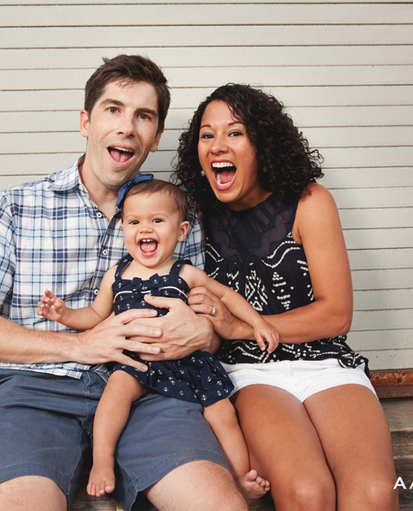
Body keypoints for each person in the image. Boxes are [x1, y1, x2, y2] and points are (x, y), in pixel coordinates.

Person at [0, 56, 249, 511]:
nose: (127, 126)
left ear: (155, 136)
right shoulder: (16, 207)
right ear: (86, 121)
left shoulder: (176, 216)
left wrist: (204, 333)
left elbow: (206, 319)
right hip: (34, 394)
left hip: (156, 388)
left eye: (143, 116)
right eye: (113, 109)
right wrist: (79, 344)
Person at [174, 83, 400, 511]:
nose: (218, 144)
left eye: (235, 132)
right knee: (307, 492)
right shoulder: (193, 216)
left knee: (373, 493)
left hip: (326, 362)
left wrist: (240, 325)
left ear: (263, 143)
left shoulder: (310, 202)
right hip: (248, 372)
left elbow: (336, 315)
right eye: (207, 134)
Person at [37, 178, 277, 500]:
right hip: (137, 360)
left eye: (157, 220)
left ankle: (240, 477)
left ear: (181, 231)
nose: (145, 229)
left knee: (223, 413)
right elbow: (95, 316)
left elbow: (228, 296)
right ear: (123, 228)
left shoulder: (185, 273)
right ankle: (103, 460)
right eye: (134, 221)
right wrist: (64, 315)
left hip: (190, 362)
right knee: (115, 392)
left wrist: (257, 322)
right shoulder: (117, 274)